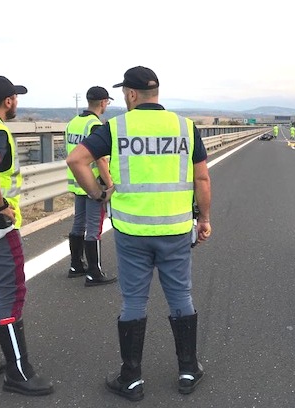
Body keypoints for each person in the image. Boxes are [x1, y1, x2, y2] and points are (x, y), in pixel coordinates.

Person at [66, 66, 212, 401]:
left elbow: (76, 160)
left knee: (134, 300)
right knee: (180, 298)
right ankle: (188, 370)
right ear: (155, 93)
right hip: (175, 230)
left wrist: (98, 193)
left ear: (131, 95)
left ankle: (131, 378)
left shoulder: (115, 128)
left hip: (131, 231)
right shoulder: (185, 127)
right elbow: (202, 179)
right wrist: (203, 218)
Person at [0, 75, 53, 395]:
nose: (16, 103)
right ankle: (18, 374)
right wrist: (1, 204)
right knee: (11, 295)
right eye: (15, 98)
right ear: (8, 101)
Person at [65, 86, 117, 286]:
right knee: (94, 228)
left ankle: (76, 265)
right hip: (93, 183)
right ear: (104, 102)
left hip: (78, 183)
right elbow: (102, 160)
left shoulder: (72, 123)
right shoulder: (95, 125)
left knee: (79, 224)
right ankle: (94, 273)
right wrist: (109, 185)